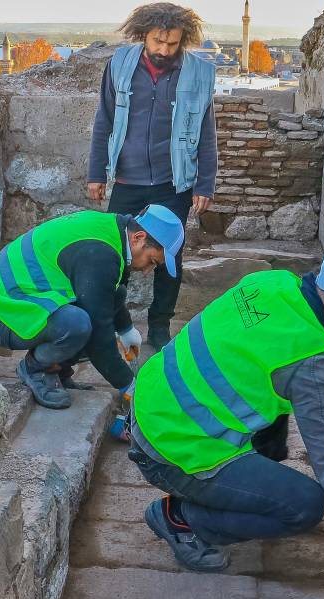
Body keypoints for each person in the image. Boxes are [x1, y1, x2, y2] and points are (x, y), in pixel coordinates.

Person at [128, 252, 324, 573]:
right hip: (171, 451)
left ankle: (225, 492)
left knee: (272, 443)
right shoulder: (312, 364)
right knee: (304, 505)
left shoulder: (275, 282)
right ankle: (181, 520)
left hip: (150, 403)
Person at [87, 2, 217, 352]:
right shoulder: (120, 64)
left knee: (169, 258)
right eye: (158, 42)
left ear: (183, 40)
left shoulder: (200, 73)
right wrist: (96, 172)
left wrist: (205, 182)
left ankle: (159, 327)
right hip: (127, 179)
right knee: (119, 256)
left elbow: (206, 130)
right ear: (142, 34)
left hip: (173, 182)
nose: (164, 50)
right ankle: (114, 325)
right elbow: (105, 120)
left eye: (173, 44)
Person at [0, 206, 184, 409]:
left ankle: (58, 368)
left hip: (18, 299)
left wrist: (126, 329)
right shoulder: (101, 254)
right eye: (152, 261)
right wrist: (129, 385)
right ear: (139, 238)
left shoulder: (111, 231)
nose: (148, 270)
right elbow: (99, 337)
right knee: (78, 325)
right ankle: (35, 368)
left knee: (104, 302)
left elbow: (109, 295)